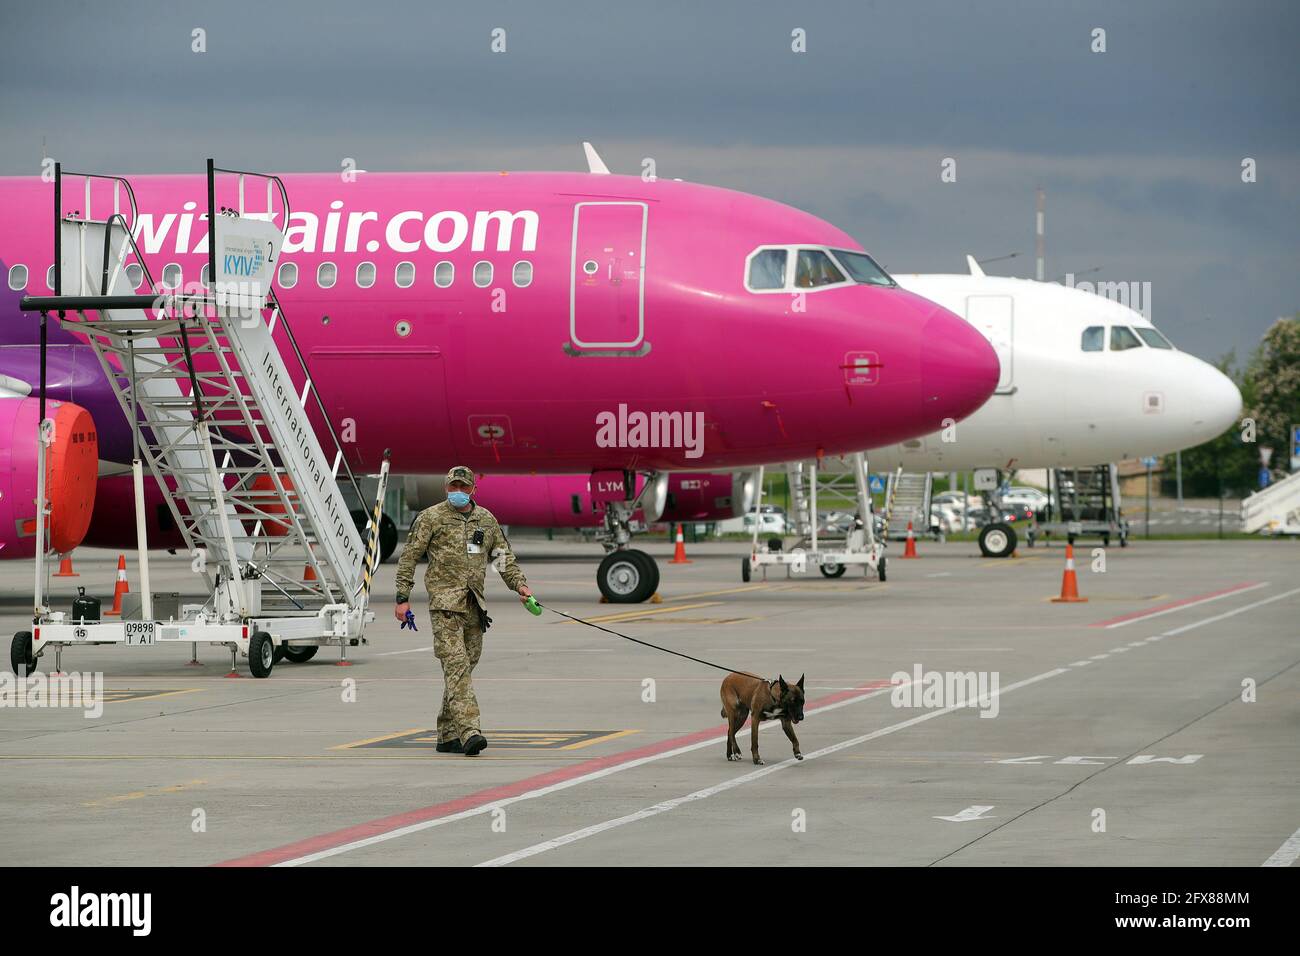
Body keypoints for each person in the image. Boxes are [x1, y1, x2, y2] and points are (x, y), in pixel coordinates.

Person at [394, 466, 532, 756]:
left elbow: (503, 559)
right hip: (444, 606)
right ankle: (470, 731)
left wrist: (519, 586)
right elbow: (409, 557)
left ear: (473, 490)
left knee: (465, 666)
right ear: (446, 487)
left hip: (474, 606)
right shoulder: (431, 517)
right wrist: (402, 597)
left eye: (463, 487)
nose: (457, 491)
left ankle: (446, 736)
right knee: (456, 667)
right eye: (452, 486)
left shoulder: (486, 519)